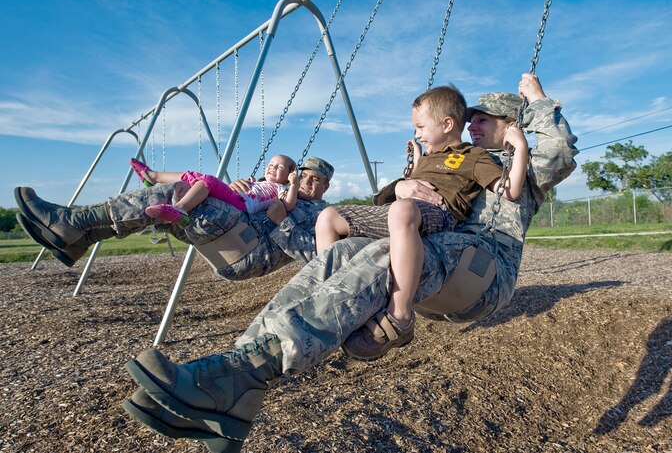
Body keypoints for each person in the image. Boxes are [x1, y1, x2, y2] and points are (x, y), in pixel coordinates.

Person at [119, 73, 579, 452]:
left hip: (483, 270)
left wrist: (536, 99)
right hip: (438, 255)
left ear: (512, 123)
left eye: (485, 120)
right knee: (343, 250)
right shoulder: (456, 157)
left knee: (380, 253)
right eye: (470, 119)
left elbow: (558, 147)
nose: (473, 126)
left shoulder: (525, 163)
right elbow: (415, 191)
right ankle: (238, 378)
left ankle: (239, 377)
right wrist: (401, 186)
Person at [315, 85, 528, 359]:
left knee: (402, 210)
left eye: (421, 126)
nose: (417, 133)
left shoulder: (473, 157)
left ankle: (400, 314)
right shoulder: (427, 158)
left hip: (439, 216)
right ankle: (337, 301)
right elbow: (396, 192)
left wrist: (520, 147)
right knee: (329, 216)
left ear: (447, 124)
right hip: (401, 213)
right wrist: (413, 166)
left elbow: (509, 190)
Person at [15, 156, 334, 280]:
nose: (307, 181)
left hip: (248, 248)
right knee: (172, 207)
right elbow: (256, 200)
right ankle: (80, 236)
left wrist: (283, 222)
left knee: (178, 192)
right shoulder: (278, 191)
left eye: (315, 179)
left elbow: (318, 257)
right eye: (304, 175)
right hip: (234, 233)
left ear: (326, 186)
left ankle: (72, 225)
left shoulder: (322, 212)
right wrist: (240, 189)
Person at [129, 154, 300, 226]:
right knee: (193, 176)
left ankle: (180, 209)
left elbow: (288, 205)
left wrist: (293, 184)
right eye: (271, 164)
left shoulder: (281, 188)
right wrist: (252, 185)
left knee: (209, 180)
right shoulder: (259, 183)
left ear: (289, 174)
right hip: (236, 198)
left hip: (241, 206)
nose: (272, 168)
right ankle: (153, 176)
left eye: (279, 167)